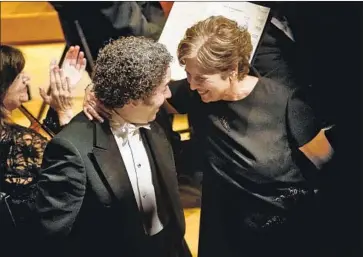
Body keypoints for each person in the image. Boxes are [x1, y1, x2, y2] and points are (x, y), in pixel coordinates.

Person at [35, 37, 191, 257]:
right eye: (163, 88)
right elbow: (54, 237)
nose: (169, 95)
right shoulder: (71, 150)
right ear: (134, 98)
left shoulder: (154, 121)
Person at [0, 44, 86, 256]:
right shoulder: (18, 141)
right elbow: (77, 168)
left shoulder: (14, 138)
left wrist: (54, 112)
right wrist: (65, 112)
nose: (26, 78)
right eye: (18, 75)